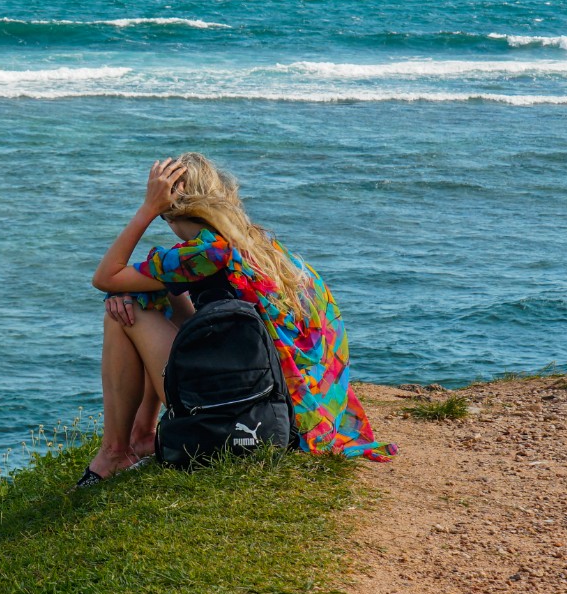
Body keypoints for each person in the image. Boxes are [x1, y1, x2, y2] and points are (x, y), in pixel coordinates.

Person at [81, 154, 394, 484]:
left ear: (171, 210)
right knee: (151, 295)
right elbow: (206, 322)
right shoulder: (260, 244)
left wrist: (147, 209)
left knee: (121, 315)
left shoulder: (206, 252)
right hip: (301, 409)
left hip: (256, 411)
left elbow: (106, 276)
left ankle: (116, 452)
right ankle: (144, 438)